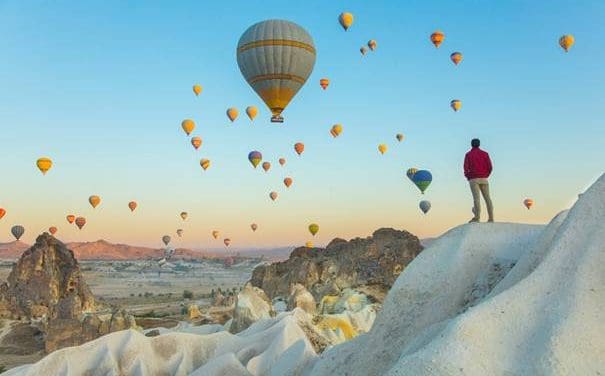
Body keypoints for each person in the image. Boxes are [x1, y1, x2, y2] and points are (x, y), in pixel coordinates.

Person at [464, 138, 494, 222]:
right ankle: (491, 218)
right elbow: (490, 167)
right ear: (479, 144)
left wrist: (468, 176)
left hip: (473, 179)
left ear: (471, 144)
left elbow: (465, 167)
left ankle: (477, 217)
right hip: (484, 178)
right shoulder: (485, 154)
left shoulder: (468, 154)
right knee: (488, 198)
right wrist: (486, 175)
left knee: (476, 199)